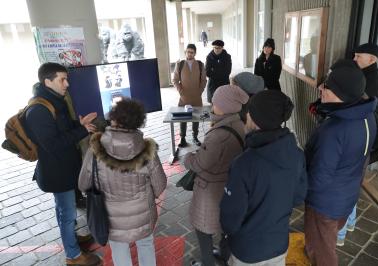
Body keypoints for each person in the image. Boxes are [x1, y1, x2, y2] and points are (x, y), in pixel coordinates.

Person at [24, 62, 100, 265]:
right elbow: (53, 144)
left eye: (67, 78)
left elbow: (62, 128)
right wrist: (82, 131)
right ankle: (73, 255)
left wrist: (80, 124)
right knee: (66, 212)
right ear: (47, 81)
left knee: (63, 209)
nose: (67, 83)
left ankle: (71, 239)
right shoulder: (39, 109)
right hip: (57, 171)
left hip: (64, 166)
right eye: (62, 79)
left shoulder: (55, 100)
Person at [220, 90, 307, 266]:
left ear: (255, 119)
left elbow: (230, 220)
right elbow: (298, 196)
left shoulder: (244, 164)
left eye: (249, 113)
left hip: (247, 250)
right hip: (278, 244)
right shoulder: (297, 154)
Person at [304, 59, 377, 266]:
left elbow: (319, 177)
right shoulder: (367, 115)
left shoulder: (334, 130)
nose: (321, 88)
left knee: (323, 254)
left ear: (341, 94)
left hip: (324, 204)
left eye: (327, 86)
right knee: (326, 243)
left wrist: (299, 191)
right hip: (346, 195)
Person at [78, 98, 167, 266]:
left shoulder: (95, 150)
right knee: (146, 245)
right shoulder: (148, 150)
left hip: (111, 218)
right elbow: (160, 184)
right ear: (137, 121)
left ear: (113, 119)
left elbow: (83, 185)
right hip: (143, 215)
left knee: (119, 250)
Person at [184, 85, 249, 266]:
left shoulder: (218, 136)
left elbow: (199, 164)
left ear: (225, 107)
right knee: (225, 228)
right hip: (230, 186)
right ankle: (223, 254)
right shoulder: (240, 124)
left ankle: (207, 262)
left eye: (215, 102)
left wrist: (187, 157)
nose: (212, 104)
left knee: (203, 229)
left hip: (210, 190)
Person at [336, 43, 378, 246]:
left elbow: (354, 106)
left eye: (359, 56)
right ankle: (351, 223)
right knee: (352, 180)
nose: (354, 59)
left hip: (360, 135)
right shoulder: (361, 72)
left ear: (372, 60)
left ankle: (340, 233)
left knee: (347, 182)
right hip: (360, 134)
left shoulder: (372, 80)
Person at [172, 43, 207, 147]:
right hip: (184, 97)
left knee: (196, 117)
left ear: (195, 53)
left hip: (197, 97)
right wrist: (181, 91)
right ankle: (182, 138)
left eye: (192, 52)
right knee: (183, 118)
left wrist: (200, 91)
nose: (190, 54)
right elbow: (175, 79)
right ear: (185, 52)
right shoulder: (180, 64)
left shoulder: (200, 65)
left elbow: (204, 80)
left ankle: (195, 137)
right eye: (188, 52)